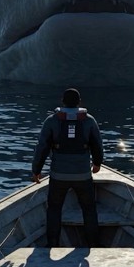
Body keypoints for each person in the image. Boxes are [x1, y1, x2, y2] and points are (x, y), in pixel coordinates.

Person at [31, 88, 103, 248]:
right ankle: (93, 244)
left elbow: (42, 147)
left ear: (62, 101)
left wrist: (36, 170)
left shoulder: (51, 121)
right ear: (80, 102)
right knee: (89, 210)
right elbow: (97, 145)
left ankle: (52, 244)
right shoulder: (89, 120)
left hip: (58, 175)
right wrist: (97, 163)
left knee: (54, 210)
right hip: (83, 175)